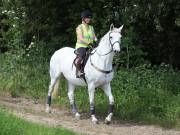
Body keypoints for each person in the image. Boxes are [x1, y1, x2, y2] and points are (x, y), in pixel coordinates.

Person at [75, 10, 98, 77]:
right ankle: (78, 71)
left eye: (89, 18)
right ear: (83, 18)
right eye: (87, 18)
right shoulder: (79, 27)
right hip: (81, 46)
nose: (89, 19)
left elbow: (94, 37)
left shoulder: (91, 27)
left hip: (90, 46)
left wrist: (97, 41)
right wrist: (89, 43)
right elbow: (80, 37)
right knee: (82, 55)